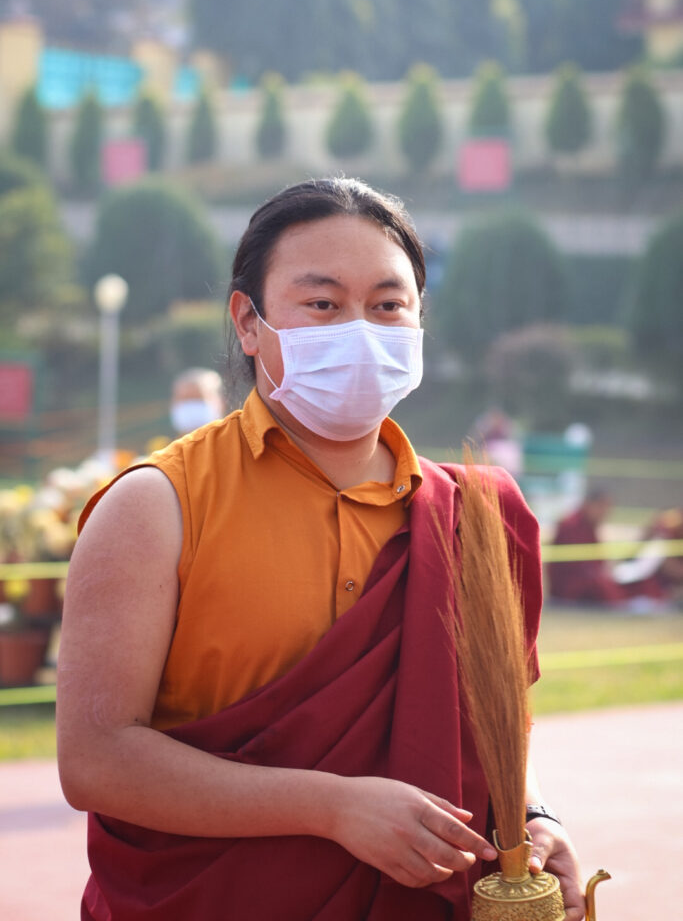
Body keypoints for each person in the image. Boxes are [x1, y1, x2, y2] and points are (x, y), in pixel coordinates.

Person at [57, 178, 584, 921]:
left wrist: (532, 816)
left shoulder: (476, 516)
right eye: (323, 304)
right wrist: (331, 807)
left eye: (388, 305)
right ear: (248, 321)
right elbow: (97, 759)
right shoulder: (157, 507)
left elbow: (485, 732)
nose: (361, 330)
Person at [169, 367, 226, 436]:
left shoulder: (235, 440)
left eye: (198, 399)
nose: (191, 407)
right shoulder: (163, 442)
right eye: (186, 400)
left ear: (221, 403)